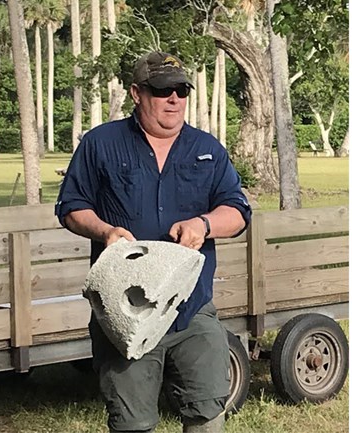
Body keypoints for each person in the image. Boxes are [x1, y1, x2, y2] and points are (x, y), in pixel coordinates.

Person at [55, 51, 251, 433]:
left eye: (181, 90)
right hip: (127, 314)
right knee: (131, 422)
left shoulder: (206, 149)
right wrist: (104, 231)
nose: (174, 99)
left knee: (208, 413)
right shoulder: (100, 144)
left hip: (192, 308)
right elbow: (71, 206)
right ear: (136, 93)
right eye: (163, 90)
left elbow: (239, 210)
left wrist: (205, 223)